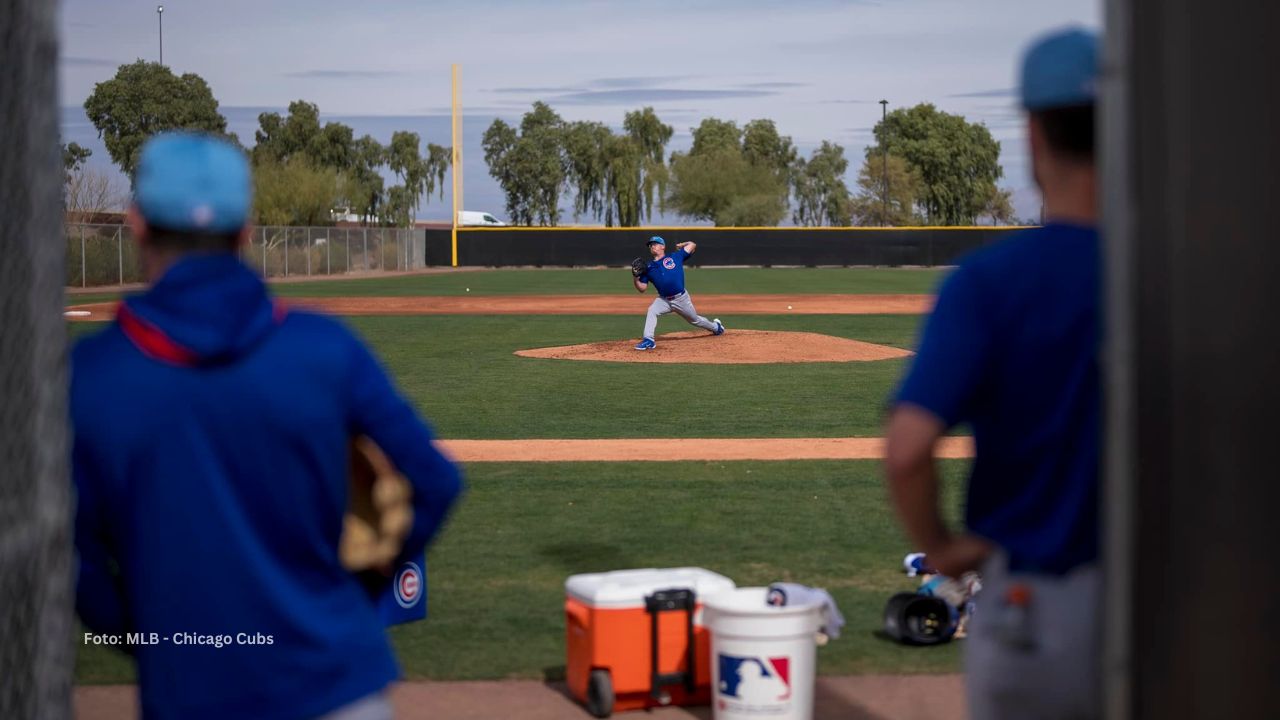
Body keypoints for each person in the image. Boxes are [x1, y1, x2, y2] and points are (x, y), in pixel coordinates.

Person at [70, 132, 463, 720]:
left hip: (190, 694)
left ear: (137, 224)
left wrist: (152, 632)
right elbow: (433, 482)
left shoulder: (89, 376)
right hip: (336, 683)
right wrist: (358, 593)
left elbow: (68, 555)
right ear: (247, 229)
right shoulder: (322, 349)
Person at [883, 28, 1102, 719]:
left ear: (1033, 135)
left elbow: (908, 451)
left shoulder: (990, 283)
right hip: (1181, 609)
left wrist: (944, 551)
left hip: (1036, 612)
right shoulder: (1193, 277)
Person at [631, 236, 724, 350]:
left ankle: (716, 327)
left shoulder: (675, 256)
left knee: (695, 320)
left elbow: (692, 245)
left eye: (655, 243)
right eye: (651, 245)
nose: (652, 246)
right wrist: (635, 277)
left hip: (681, 299)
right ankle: (649, 340)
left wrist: (683, 244)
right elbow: (642, 288)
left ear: (663, 246)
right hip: (664, 300)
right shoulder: (648, 267)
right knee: (652, 310)